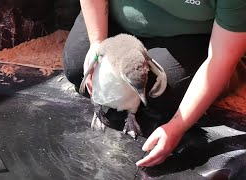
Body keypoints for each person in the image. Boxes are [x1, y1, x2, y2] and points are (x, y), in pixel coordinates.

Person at [63, 0, 246, 167]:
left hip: (186, 34)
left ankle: (235, 72)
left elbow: (221, 58)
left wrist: (177, 125)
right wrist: (97, 42)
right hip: (116, 16)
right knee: (80, 70)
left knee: (159, 94)